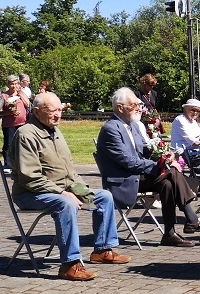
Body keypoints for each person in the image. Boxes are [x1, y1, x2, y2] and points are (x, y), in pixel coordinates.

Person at [11, 92, 129, 281]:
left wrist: (81, 189)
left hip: (63, 190)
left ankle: (102, 250)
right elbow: (29, 177)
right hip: (31, 193)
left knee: (104, 197)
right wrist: (62, 192)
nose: (58, 115)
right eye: (52, 111)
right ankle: (70, 264)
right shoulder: (26, 134)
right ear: (37, 111)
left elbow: (69, 170)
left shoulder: (55, 131)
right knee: (66, 204)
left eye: (60, 110)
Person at [96, 88, 200, 246]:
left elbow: (147, 150)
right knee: (171, 171)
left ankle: (170, 234)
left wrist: (166, 156)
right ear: (120, 108)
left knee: (167, 183)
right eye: (134, 105)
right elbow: (129, 162)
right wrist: (162, 165)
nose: (139, 108)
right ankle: (191, 218)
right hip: (125, 181)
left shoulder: (133, 126)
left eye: (139, 104)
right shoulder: (111, 129)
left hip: (139, 176)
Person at [0, 74, 31, 173]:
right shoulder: (4, 96)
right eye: (11, 84)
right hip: (9, 124)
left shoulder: (21, 94)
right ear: (8, 85)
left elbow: (28, 105)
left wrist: (20, 93)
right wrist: (9, 112)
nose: (14, 86)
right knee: (9, 144)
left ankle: (21, 164)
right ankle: (8, 164)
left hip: (23, 123)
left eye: (16, 83)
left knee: (22, 144)